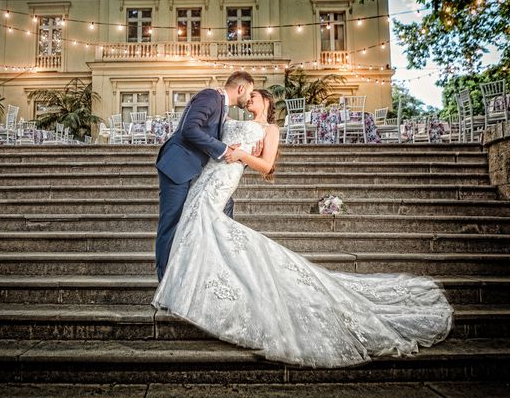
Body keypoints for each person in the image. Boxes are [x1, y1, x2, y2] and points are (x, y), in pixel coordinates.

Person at [152, 89, 453, 368]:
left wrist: (244, 156)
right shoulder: (229, 119)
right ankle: (185, 286)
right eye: (250, 95)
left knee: (210, 227)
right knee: (197, 227)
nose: (249, 100)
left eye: (255, 96)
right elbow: (207, 137)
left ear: (266, 103)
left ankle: (192, 289)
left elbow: (267, 165)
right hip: (207, 176)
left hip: (225, 179)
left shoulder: (270, 130)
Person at [155, 71, 255, 282]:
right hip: (178, 166)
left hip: (194, 169)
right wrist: (223, 148)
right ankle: (164, 282)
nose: (250, 98)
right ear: (241, 88)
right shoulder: (211, 96)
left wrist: (234, 150)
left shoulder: (221, 104)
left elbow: (207, 135)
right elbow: (190, 129)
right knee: (170, 224)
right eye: (251, 92)